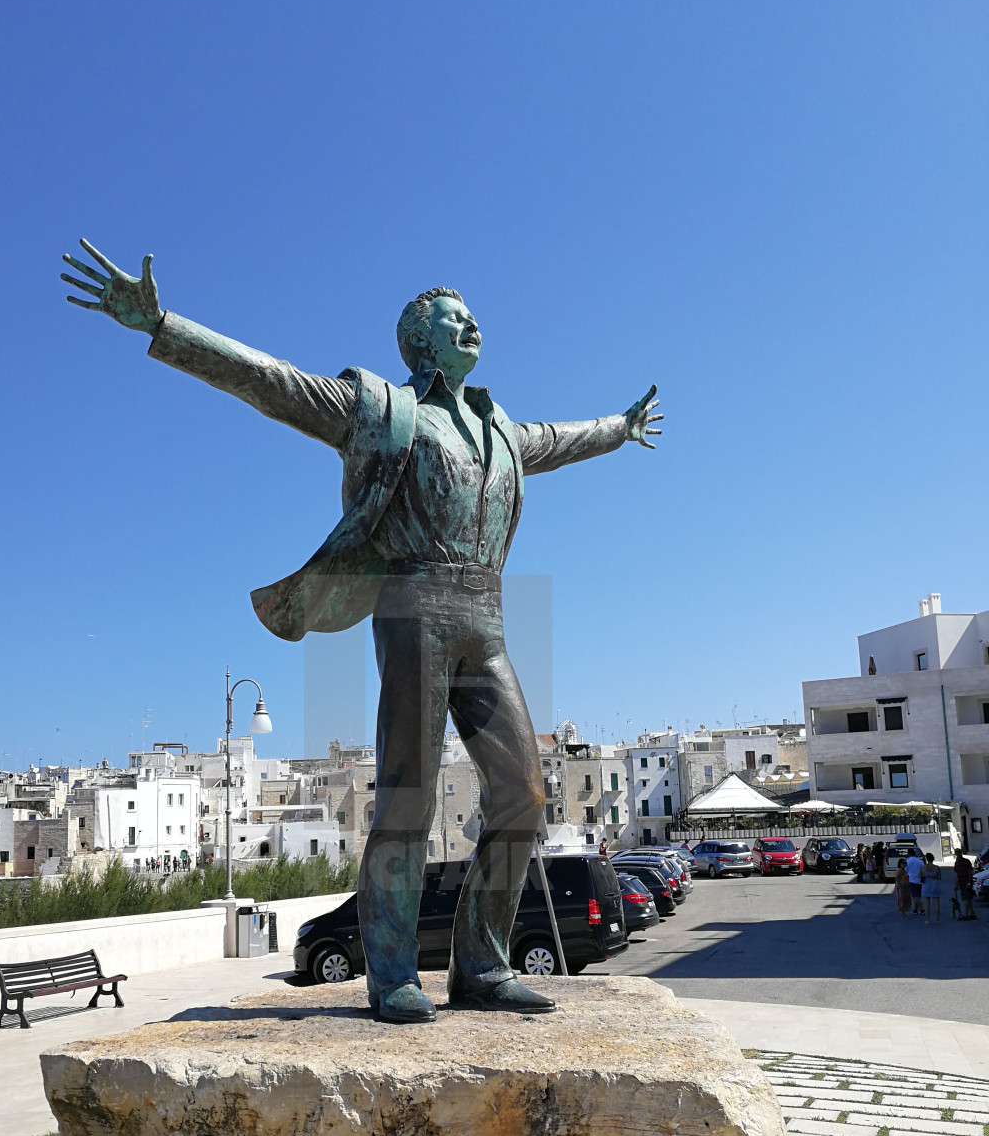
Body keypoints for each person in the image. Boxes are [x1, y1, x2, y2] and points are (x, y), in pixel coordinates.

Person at [62, 243, 662, 1025]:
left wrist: (618, 426)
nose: (471, 323)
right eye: (452, 318)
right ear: (419, 343)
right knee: (407, 800)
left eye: (471, 314)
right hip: (412, 608)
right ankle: (392, 973)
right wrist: (165, 326)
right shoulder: (379, 409)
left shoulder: (501, 428)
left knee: (525, 794)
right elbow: (271, 382)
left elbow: (563, 437)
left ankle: (481, 964)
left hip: (487, 621)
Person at [921, 852, 943, 924]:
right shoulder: (937, 868)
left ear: (926, 859)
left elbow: (919, 876)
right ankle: (937, 919)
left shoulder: (923, 867)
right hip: (935, 885)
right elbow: (939, 877)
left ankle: (927, 919)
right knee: (936, 902)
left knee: (927, 903)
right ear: (933, 859)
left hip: (926, 885)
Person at [955, 851, 976, 920]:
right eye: (956, 853)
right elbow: (957, 875)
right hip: (961, 882)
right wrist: (956, 885)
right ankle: (972, 914)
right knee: (969, 898)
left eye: (958, 853)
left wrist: (969, 882)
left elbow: (970, 872)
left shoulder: (966, 861)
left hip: (966, 882)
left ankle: (966, 915)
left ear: (961, 853)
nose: (957, 855)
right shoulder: (957, 863)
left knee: (966, 898)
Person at [906, 846, 924, 914]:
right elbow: (923, 870)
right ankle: (915, 909)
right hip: (920, 880)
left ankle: (922, 909)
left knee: (915, 896)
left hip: (912, 880)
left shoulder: (908, 862)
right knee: (918, 896)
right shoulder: (920, 861)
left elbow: (906, 871)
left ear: (909, 853)